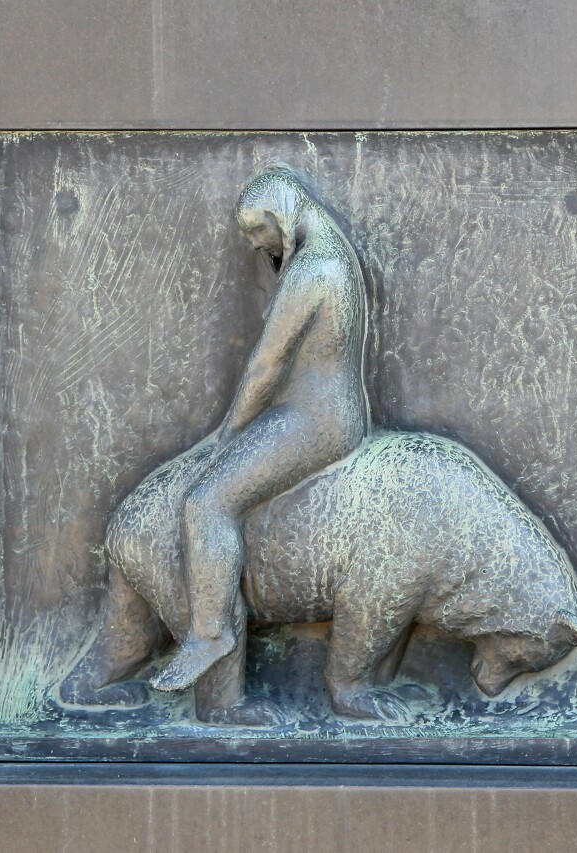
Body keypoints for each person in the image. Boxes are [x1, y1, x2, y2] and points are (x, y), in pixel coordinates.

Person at [150, 165, 370, 691]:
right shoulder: (323, 251)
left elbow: (265, 367)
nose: (253, 244)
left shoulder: (314, 269)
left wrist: (228, 434)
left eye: (256, 230)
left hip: (317, 421)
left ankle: (210, 633)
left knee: (206, 503)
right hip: (316, 411)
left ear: (281, 216)